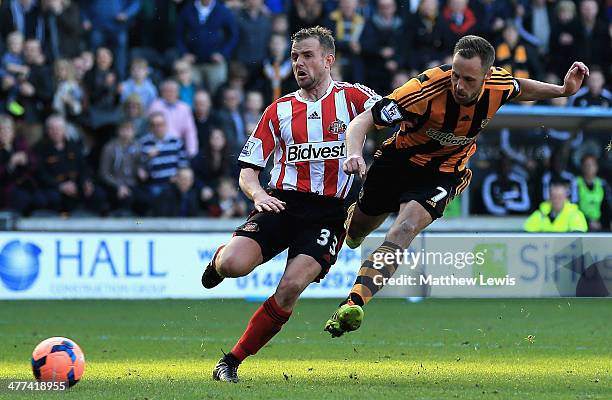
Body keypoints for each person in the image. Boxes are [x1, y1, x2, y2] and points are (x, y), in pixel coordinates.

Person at [323, 35, 589, 338]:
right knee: (356, 233)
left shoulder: (497, 85)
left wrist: (563, 90)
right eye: (455, 75)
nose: (459, 85)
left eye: (469, 79)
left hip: (444, 172)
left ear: (487, 76)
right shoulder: (422, 90)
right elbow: (363, 122)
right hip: (397, 164)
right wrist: (355, 153)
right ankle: (354, 220)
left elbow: (519, 86)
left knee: (404, 228)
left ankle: (354, 301)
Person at [200, 26, 380, 383]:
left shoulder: (355, 98)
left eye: (307, 55)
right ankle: (221, 258)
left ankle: (231, 361)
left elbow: (394, 115)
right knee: (234, 265)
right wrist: (258, 194)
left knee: (290, 287)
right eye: (295, 56)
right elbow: (247, 171)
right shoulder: (279, 110)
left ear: (329, 60)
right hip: (281, 202)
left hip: (328, 213)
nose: (299, 63)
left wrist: (367, 157)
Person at [575, 154, 611, 231]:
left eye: (592, 165)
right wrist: (588, 222)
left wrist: (601, 223)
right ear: (582, 167)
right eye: (587, 165)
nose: (589, 168)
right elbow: (573, 206)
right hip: (580, 224)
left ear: (597, 167)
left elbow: (607, 207)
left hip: (600, 225)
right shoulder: (575, 183)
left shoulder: (603, 184)